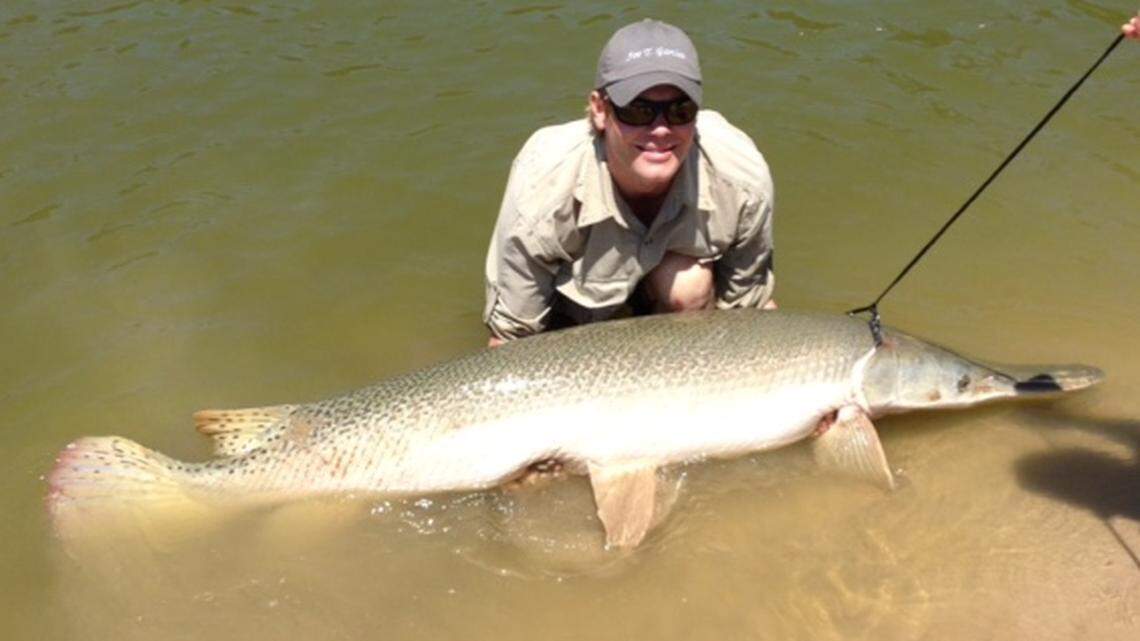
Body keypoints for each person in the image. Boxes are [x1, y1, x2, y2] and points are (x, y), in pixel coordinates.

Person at [484, 19, 776, 346]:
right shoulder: (542, 188)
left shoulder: (741, 180)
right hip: (573, 313)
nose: (661, 129)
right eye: (638, 110)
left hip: (673, 296)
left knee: (689, 286)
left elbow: (750, 313)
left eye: (680, 110)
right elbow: (511, 342)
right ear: (599, 109)